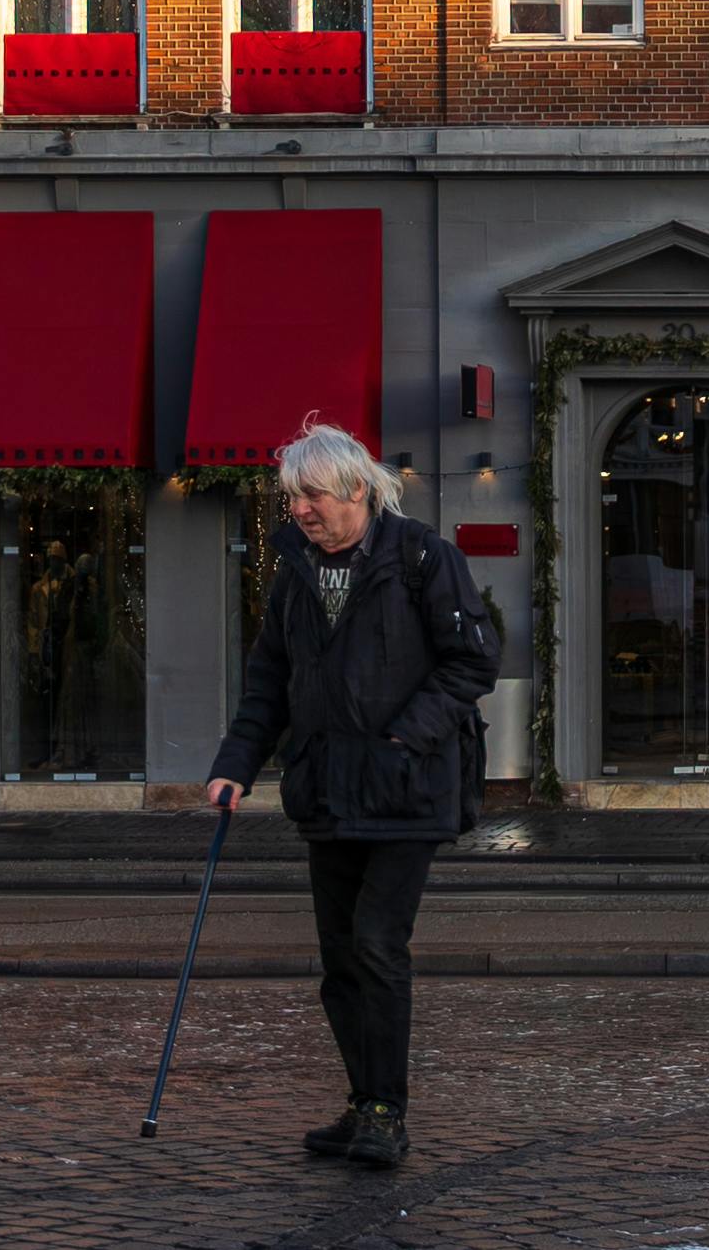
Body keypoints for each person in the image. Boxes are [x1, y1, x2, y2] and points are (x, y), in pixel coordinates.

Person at [205, 420, 502, 1175]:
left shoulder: (424, 557)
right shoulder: (294, 572)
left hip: (407, 790)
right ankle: (363, 1098)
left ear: (358, 490)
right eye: (291, 495)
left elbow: (473, 661)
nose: (300, 508)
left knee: (376, 943)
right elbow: (270, 678)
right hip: (328, 792)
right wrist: (237, 761)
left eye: (313, 494)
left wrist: (404, 736)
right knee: (340, 959)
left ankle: (384, 1112)